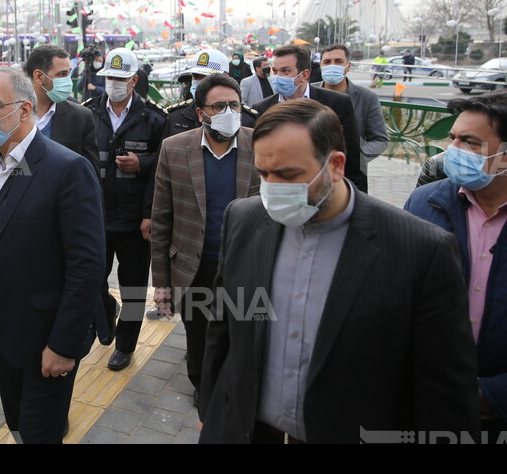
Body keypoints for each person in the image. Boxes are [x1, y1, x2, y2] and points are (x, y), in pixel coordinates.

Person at [198, 98, 479, 443]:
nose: (272, 188)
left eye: (288, 175)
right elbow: (223, 327)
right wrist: (210, 410)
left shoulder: (421, 250)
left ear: (335, 164)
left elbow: (444, 392)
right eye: (263, 174)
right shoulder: (242, 218)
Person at [0, 67, 105, 443]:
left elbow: (86, 266)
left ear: (23, 110)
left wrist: (64, 346)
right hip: (3, 330)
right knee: (17, 423)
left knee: (40, 432)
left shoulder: (67, 169)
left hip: (47, 337)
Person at [150, 73, 260, 404]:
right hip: (194, 268)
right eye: (218, 106)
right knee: (198, 338)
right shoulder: (174, 148)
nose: (228, 111)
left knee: (242, 336)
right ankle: (202, 387)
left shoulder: (261, 144)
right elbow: (162, 219)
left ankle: (235, 390)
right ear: (201, 113)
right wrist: (162, 282)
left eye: (234, 105)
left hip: (245, 266)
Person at [404, 91, 507, 434]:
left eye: (471, 142)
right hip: (428, 404)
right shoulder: (424, 203)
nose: (454, 151)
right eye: (453, 139)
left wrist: (491, 395)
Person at [84, 47, 166, 371]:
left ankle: (126, 345)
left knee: (133, 290)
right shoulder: (87, 113)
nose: (113, 83)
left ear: (133, 80)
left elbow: (163, 169)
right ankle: (106, 312)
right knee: (91, 281)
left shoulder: (155, 118)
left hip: (135, 221)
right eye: (109, 78)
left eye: (120, 78)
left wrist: (141, 163)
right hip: (96, 218)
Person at [253, 44, 367, 192]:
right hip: (279, 192)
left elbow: (352, 158)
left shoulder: (337, 103)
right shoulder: (261, 109)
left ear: (305, 75)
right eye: (275, 71)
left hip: (325, 190)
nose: (278, 77)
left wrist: (356, 203)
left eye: (285, 71)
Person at [24, 44, 99, 173]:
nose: (68, 80)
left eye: (69, 73)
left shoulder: (80, 117)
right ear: (39, 77)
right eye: (62, 74)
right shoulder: (9, 113)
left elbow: (90, 173)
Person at [313, 44, 389, 167]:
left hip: (351, 174)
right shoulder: (308, 94)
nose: (332, 65)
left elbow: (380, 140)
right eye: (327, 62)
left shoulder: (367, 98)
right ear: (321, 66)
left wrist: (354, 157)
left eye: (338, 61)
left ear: (348, 67)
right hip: (312, 171)